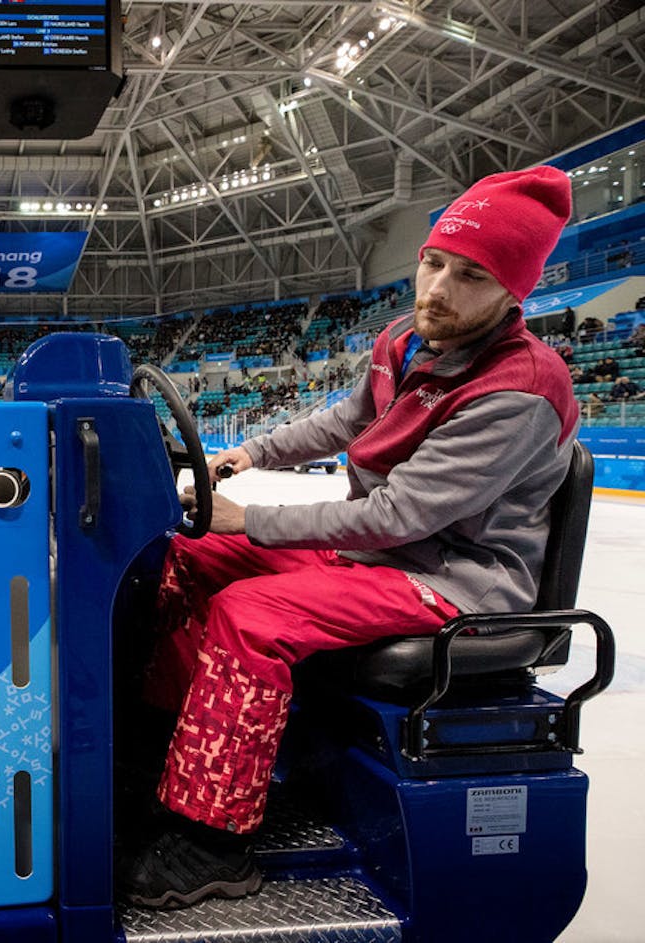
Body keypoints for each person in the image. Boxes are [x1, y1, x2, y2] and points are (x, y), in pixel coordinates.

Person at [120, 166, 581, 910]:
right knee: (187, 557)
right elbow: (344, 422)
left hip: (451, 579)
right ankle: (161, 745)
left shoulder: (520, 389)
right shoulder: (408, 340)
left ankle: (214, 840)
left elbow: (398, 515)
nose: (438, 287)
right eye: (433, 262)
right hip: (379, 554)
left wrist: (256, 517)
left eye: (470, 274)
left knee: (252, 616)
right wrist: (254, 453)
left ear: (512, 291)